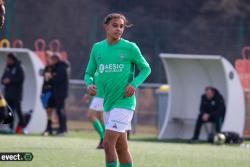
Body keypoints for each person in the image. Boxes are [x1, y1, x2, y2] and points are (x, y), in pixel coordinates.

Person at [84, 13, 151, 167]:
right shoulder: (97, 48)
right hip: (108, 103)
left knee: (107, 143)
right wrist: (89, 84)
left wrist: (134, 84)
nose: (119, 29)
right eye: (115, 25)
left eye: (121, 26)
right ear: (106, 26)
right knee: (121, 148)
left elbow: (146, 69)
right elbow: (88, 73)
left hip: (124, 102)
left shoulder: (130, 47)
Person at [1, 53, 25, 134]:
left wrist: (10, 80)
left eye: (7, 59)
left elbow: (21, 79)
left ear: (12, 59)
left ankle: (23, 127)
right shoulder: (7, 68)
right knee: (10, 112)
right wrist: (4, 81)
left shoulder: (19, 67)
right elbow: (2, 78)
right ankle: (10, 128)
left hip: (17, 94)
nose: (6, 61)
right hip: (8, 94)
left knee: (18, 111)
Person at [83, 71, 105, 149]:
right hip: (98, 96)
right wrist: (88, 94)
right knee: (101, 118)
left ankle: (104, 138)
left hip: (101, 96)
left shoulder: (106, 66)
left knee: (90, 116)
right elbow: (94, 84)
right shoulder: (97, 68)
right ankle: (105, 140)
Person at [51, 54, 69, 135]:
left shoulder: (61, 68)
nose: (52, 62)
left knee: (60, 110)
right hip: (59, 92)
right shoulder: (59, 67)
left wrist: (52, 77)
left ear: (56, 59)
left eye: (53, 60)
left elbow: (58, 79)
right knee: (60, 111)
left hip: (60, 93)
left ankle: (62, 130)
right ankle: (63, 129)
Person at [41, 51, 55, 136]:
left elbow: (53, 79)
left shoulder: (54, 67)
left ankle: (48, 129)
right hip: (45, 91)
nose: (46, 58)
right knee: (47, 111)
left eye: (48, 57)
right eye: (45, 56)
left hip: (51, 91)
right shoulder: (46, 67)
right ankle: (49, 129)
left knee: (50, 110)